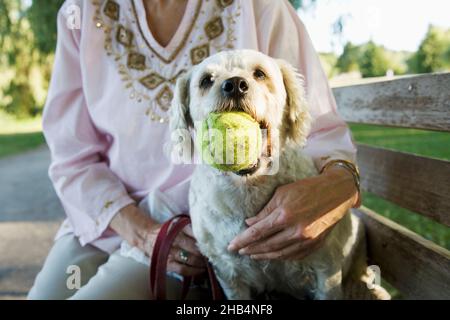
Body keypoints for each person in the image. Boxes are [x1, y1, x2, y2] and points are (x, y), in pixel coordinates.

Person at [28, 0, 360, 300]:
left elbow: (318, 131)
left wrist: (335, 188)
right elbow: (72, 155)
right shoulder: (81, 14)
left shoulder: (262, 6)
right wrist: (142, 232)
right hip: (105, 218)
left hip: (195, 232)